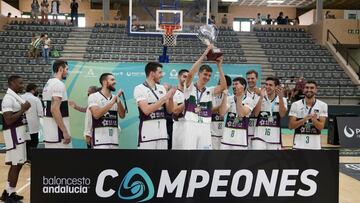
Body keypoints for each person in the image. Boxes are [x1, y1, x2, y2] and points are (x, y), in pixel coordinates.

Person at [181, 45, 227, 150]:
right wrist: (204, 55)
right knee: (189, 155)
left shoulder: (209, 91)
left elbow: (223, 86)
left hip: (205, 126)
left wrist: (219, 66)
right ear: (199, 74)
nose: (207, 77)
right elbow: (190, 74)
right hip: (190, 125)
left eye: (209, 75)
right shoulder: (189, 87)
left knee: (204, 155)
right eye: (205, 74)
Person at [0, 76, 31, 202]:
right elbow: (8, 119)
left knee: (18, 164)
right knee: (15, 164)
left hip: (20, 134)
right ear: (12, 83)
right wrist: (23, 109)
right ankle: (7, 195)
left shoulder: (16, 97)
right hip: (14, 135)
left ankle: (9, 192)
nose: (22, 85)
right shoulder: (7, 99)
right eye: (20, 83)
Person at [133, 62, 176, 149]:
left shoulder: (161, 88)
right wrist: (164, 98)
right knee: (146, 162)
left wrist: (170, 98)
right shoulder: (139, 88)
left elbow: (170, 110)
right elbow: (146, 110)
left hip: (162, 134)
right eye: (159, 72)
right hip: (147, 134)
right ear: (152, 73)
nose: (162, 75)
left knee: (161, 162)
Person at [87, 73, 126, 149]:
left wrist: (118, 102)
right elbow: (96, 114)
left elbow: (122, 115)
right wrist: (112, 102)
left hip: (114, 141)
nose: (115, 82)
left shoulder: (115, 97)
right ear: (105, 82)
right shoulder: (93, 96)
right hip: (100, 142)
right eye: (112, 80)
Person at [289, 81, 328, 150]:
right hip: (298, 145)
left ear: (316, 90)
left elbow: (321, 127)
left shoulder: (323, 105)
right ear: (303, 90)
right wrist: (304, 119)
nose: (309, 90)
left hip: (315, 146)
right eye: (307, 88)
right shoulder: (295, 105)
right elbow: (291, 126)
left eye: (312, 88)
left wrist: (314, 120)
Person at [42, 60, 72, 148]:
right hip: (58, 134)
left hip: (50, 132)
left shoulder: (49, 83)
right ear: (60, 69)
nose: (67, 72)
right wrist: (65, 132)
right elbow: (54, 110)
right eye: (66, 69)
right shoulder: (58, 84)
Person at [220, 77, 256, 150]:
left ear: (243, 86)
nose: (234, 86)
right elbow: (222, 113)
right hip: (227, 136)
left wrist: (239, 97)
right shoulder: (229, 98)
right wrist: (224, 97)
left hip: (240, 138)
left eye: (236, 84)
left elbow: (241, 114)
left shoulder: (249, 100)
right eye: (233, 84)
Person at [252, 77, 287, 150]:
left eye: (270, 85)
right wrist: (261, 97)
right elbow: (255, 114)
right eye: (266, 84)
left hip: (274, 138)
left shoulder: (283, 100)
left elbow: (282, 115)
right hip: (259, 137)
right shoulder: (259, 97)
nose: (267, 87)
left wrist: (280, 98)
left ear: (276, 87)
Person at [21, 84, 43, 162]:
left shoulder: (20, 97)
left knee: (25, 142)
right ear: (32, 90)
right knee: (34, 142)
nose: (37, 91)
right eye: (36, 89)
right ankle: (31, 159)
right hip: (33, 125)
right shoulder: (36, 99)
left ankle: (25, 158)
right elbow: (40, 113)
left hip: (22, 124)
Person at [210, 75, 232, 150]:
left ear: (228, 87)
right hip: (208, 130)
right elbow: (210, 110)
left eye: (223, 85)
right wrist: (221, 106)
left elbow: (222, 112)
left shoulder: (229, 97)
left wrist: (219, 108)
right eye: (219, 83)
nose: (220, 86)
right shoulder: (210, 92)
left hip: (220, 132)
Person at [172, 69, 189, 149]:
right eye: (184, 76)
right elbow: (175, 111)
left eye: (188, 77)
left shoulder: (191, 92)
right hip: (179, 126)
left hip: (190, 125)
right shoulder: (174, 92)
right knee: (178, 152)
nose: (186, 79)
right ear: (179, 77)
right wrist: (188, 102)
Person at [246, 70, 260, 149]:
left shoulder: (262, 93)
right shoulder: (242, 93)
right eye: (248, 79)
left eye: (252, 78)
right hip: (245, 127)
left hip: (258, 129)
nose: (250, 80)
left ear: (257, 78)